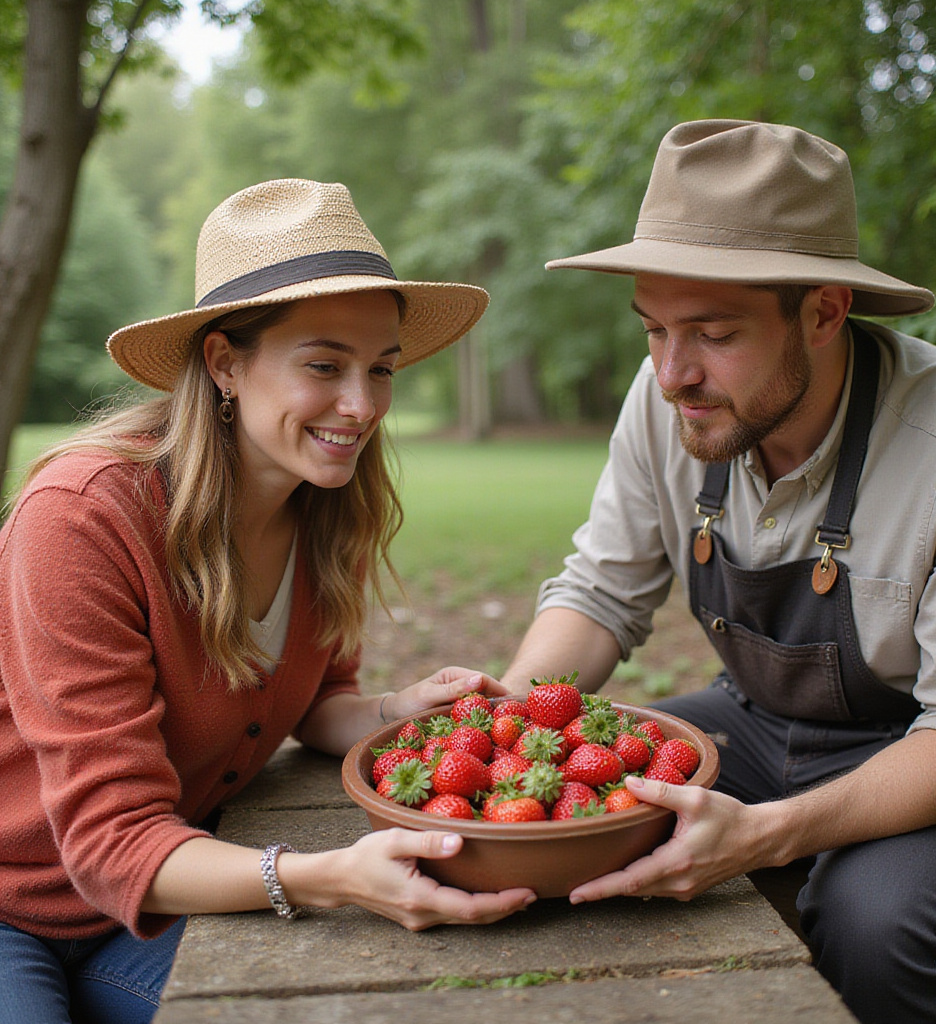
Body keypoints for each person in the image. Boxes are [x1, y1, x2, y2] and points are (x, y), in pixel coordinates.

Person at [501, 120, 936, 1024]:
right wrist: (506, 728)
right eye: (655, 329)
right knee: (567, 836)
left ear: (824, 311)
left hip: (925, 757)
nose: (672, 374)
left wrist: (766, 835)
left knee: (875, 921)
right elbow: (599, 595)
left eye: (712, 332)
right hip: (747, 722)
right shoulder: (668, 394)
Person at [0, 178, 536, 1024]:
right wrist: (324, 877)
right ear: (224, 363)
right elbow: (110, 841)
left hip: (168, 899)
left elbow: (312, 701)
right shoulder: (83, 518)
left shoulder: (327, 501)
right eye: (325, 365)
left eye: (381, 369)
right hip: (17, 907)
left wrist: (396, 708)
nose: (362, 407)